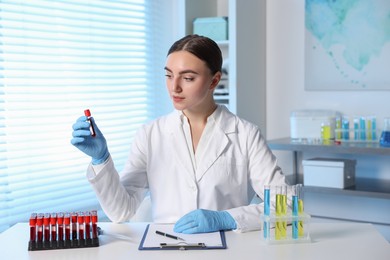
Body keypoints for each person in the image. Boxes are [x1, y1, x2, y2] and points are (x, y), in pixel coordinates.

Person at [71, 34, 290, 234]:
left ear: (214, 80)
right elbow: (121, 211)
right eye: (169, 75)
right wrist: (101, 159)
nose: (174, 87)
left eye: (187, 78)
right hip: (165, 247)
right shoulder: (150, 134)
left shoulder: (245, 134)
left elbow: (287, 205)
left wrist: (228, 218)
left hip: (227, 248)